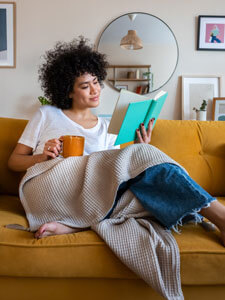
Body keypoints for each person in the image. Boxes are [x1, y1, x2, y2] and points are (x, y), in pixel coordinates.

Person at [8, 37, 225, 246]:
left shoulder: (108, 126)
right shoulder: (47, 114)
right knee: (143, 167)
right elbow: (14, 162)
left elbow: (112, 180)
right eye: (85, 86)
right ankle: (221, 217)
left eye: (96, 82)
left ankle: (75, 224)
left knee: (143, 190)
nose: (95, 90)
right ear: (68, 91)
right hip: (48, 187)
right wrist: (42, 157)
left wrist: (141, 147)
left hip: (86, 197)